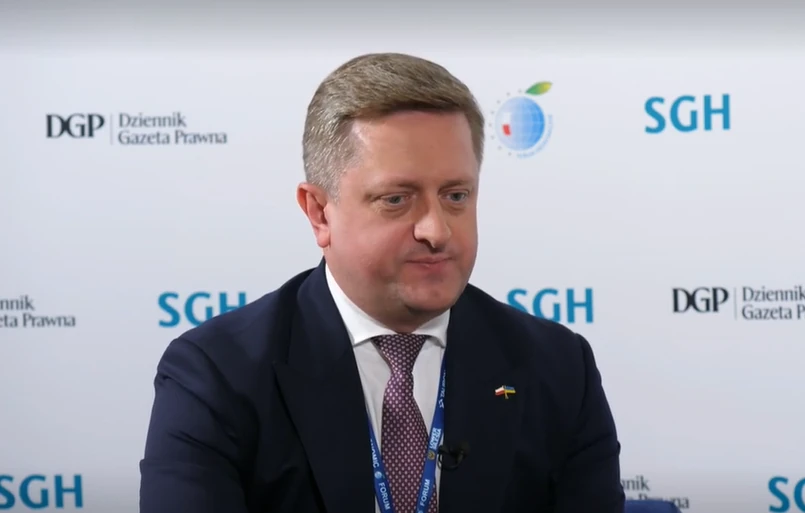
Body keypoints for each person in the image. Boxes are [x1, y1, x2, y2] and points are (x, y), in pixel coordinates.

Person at [139, 52, 625, 513]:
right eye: (397, 199)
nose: (437, 230)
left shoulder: (558, 370)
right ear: (319, 213)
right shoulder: (216, 377)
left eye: (456, 196)